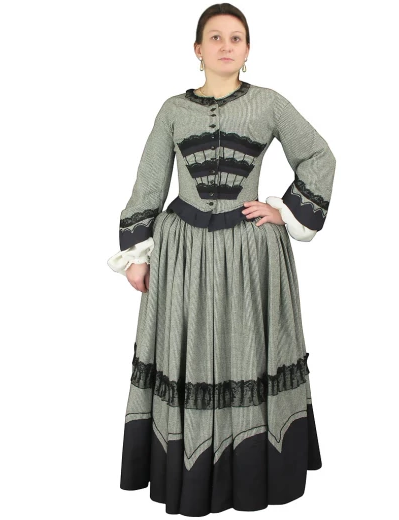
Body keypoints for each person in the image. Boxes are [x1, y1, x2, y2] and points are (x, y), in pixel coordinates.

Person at [107, 3, 336, 516]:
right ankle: (192, 470)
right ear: (198, 49)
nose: (226, 45)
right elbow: (149, 179)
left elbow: (319, 155)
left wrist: (283, 210)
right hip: (184, 252)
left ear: (247, 50)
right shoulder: (172, 109)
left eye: (236, 37)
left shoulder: (269, 103)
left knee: (247, 349)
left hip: (250, 250)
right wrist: (137, 254)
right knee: (188, 354)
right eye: (215, 37)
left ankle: (250, 473)